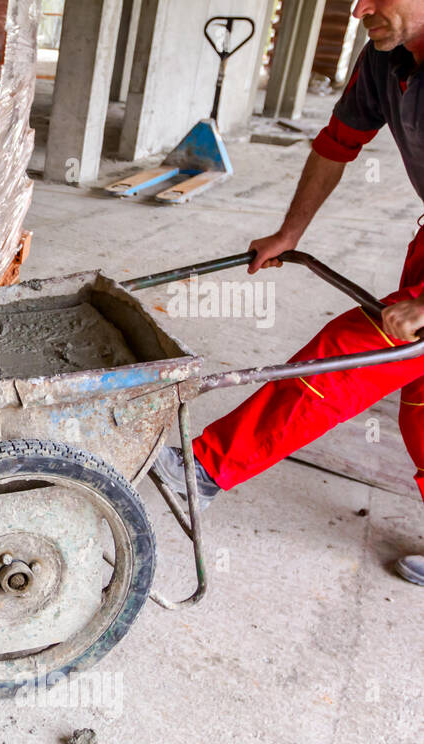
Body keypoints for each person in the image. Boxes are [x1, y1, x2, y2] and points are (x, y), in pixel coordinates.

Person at [152, 0, 424, 586]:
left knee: (348, 356)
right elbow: (334, 144)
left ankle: (205, 468)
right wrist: (290, 233)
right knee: (422, 414)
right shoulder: (385, 59)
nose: (359, 9)